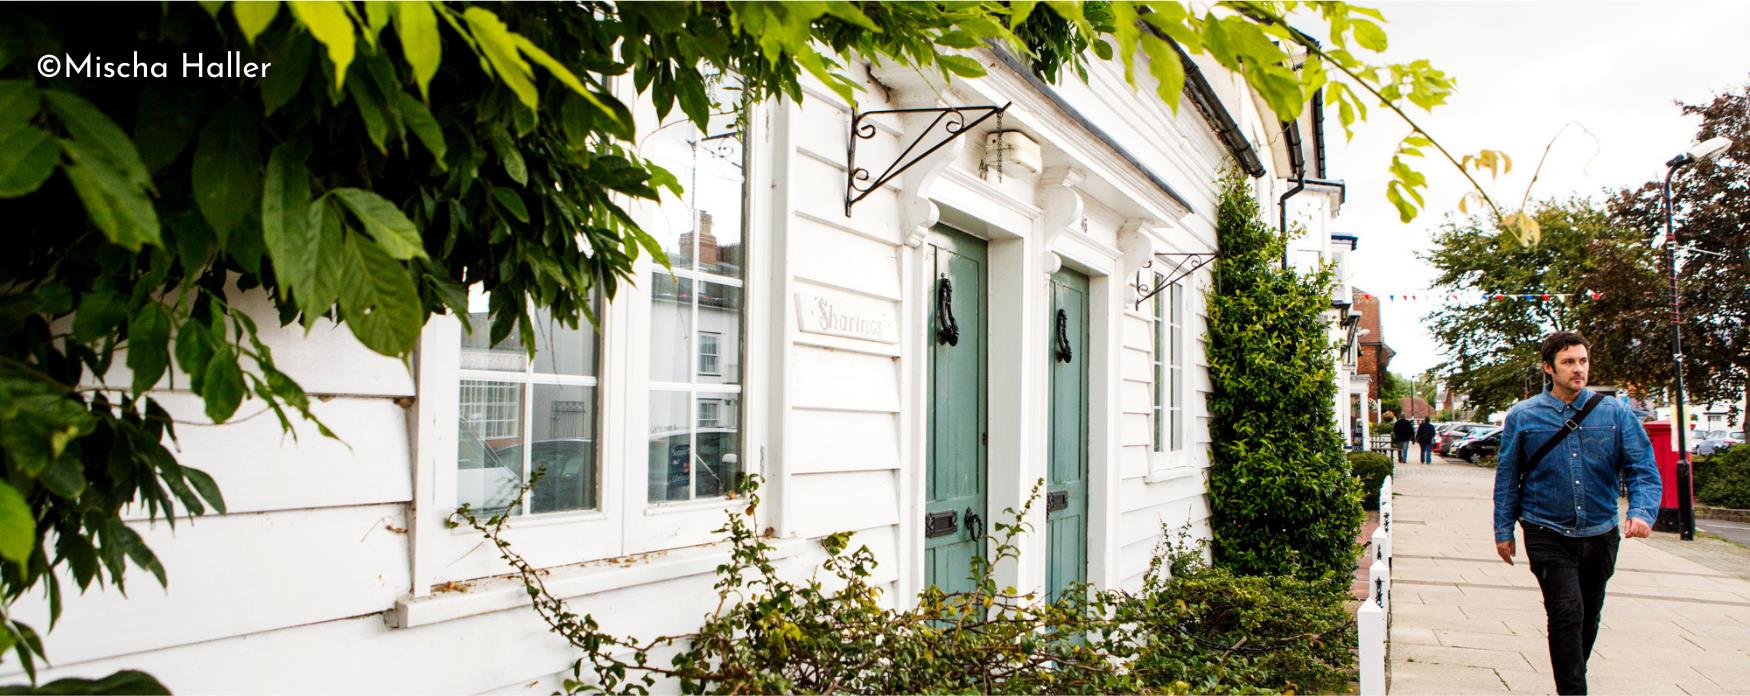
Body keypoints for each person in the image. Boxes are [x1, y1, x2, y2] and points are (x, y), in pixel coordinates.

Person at [1492, 331, 1661, 695]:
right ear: (1548, 368)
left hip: (1601, 533)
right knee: (1566, 614)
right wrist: (1503, 528)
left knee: (1587, 616)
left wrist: (1643, 512)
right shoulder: (1523, 416)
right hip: (1546, 530)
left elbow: (1643, 467)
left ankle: (1571, 680)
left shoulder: (1615, 413)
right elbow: (1508, 476)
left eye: (1582, 361)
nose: (1578, 369)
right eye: (1569, 362)